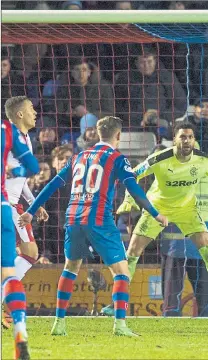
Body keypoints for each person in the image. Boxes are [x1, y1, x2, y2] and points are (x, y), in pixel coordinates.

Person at [19, 116, 168, 337]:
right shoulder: (117, 158)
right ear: (118, 136)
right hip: (99, 219)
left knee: (70, 268)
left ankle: (59, 323)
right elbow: (134, 189)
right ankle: (120, 326)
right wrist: (156, 214)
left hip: (73, 217)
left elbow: (52, 184)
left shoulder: (78, 156)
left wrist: (31, 212)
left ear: (99, 134)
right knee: (122, 272)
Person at [101, 122, 208, 319]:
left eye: (190, 137)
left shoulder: (203, 161)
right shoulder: (160, 158)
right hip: (157, 209)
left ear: (194, 140)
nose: (187, 140)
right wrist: (128, 200)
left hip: (186, 210)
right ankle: (117, 302)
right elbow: (132, 174)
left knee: (207, 251)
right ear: (175, 140)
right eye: (182, 137)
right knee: (132, 252)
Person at [1, 116, 39, 359]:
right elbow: (33, 168)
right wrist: (15, 169)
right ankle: (20, 331)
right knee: (8, 274)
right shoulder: (7, 130)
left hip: (12, 205)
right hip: (4, 207)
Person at [4, 97, 49, 286]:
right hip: (7, 204)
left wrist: (34, 204)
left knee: (26, 253)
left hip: (14, 204)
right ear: (20, 114)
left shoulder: (25, 138)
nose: (36, 112)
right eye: (31, 108)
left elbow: (21, 180)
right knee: (29, 253)